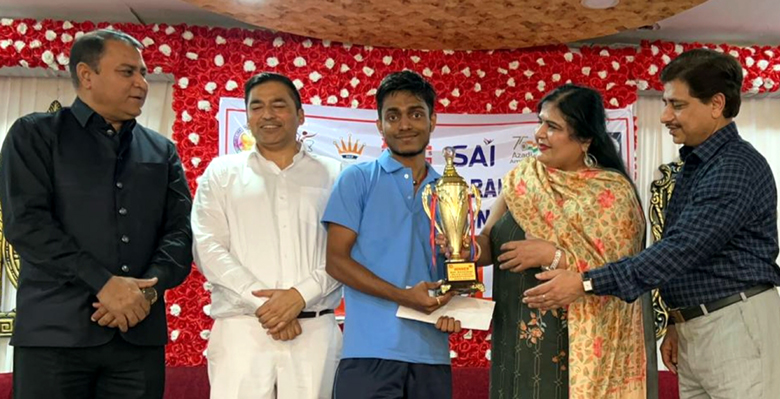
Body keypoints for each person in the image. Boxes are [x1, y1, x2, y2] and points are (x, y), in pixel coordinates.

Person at [526, 49, 780, 399]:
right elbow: (689, 258)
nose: (665, 116)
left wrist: (585, 282)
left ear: (716, 104)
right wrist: (677, 321)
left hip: (736, 325)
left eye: (677, 105)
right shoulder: (697, 165)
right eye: (666, 103)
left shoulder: (734, 166)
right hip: (702, 326)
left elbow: (681, 250)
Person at [0, 29, 193, 399]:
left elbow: (179, 234)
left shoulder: (160, 150)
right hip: (54, 335)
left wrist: (145, 296)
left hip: (138, 338)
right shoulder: (35, 135)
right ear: (86, 75)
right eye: (127, 72)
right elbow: (27, 224)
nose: (141, 83)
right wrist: (104, 284)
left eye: (143, 73)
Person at [458, 84, 653, 399]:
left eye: (552, 126)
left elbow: (624, 273)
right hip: (513, 335)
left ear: (585, 140)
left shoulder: (612, 193)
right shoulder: (524, 179)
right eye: (540, 122)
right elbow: (489, 242)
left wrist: (553, 256)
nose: (538, 134)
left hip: (571, 345)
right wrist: (466, 248)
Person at [192, 72, 343, 399]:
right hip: (241, 330)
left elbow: (347, 252)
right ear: (247, 116)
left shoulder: (336, 174)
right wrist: (268, 306)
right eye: (257, 106)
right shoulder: (221, 173)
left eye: (279, 105)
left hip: (314, 329)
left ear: (300, 114)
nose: (267, 114)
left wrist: (299, 296)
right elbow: (207, 247)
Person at [323, 70, 462, 399]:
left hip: (432, 354)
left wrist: (455, 305)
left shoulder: (451, 192)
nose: (404, 125)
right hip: (369, 351)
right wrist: (403, 296)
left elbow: (457, 267)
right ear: (379, 124)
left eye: (415, 113)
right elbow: (336, 262)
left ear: (433, 120)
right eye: (393, 116)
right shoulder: (357, 180)